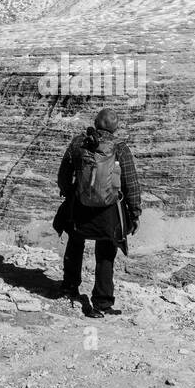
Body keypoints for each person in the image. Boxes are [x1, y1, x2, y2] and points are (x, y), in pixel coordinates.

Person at [55, 108, 142, 317]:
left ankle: (69, 287)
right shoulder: (120, 148)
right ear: (115, 127)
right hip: (109, 211)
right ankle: (102, 301)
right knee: (106, 253)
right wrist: (135, 212)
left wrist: (70, 195)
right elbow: (130, 182)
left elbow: (64, 174)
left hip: (80, 206)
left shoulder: (78, 143)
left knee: (75, 243)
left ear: (95, 122)